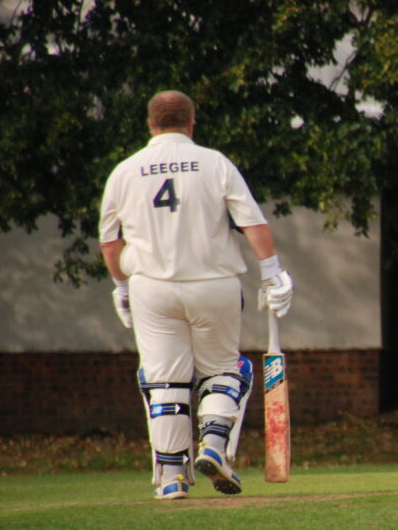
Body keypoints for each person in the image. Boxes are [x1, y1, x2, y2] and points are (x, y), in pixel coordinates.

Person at [99, 90, 293, 500]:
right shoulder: (214, 162)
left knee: (164, 381)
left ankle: (172, 476)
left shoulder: (124, 171)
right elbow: (252, 223)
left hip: (151, 287)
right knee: (222, 370)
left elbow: (110, 242)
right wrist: (271, 273)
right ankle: (214, 445)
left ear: (150, 123)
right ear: (191, 122)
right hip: (213, 283)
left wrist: (121, 287)